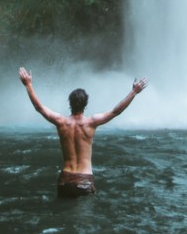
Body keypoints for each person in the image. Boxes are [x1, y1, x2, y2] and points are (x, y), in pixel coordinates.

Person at [18, 66, 148, 197]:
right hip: (84, 180)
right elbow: (116, 111)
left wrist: (28, 84)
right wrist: (133, 92)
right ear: (86, 104)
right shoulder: (91, 122)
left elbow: (39, 108)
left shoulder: (61, 121)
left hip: (65, 179)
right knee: (86, 216)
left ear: (70, 103)